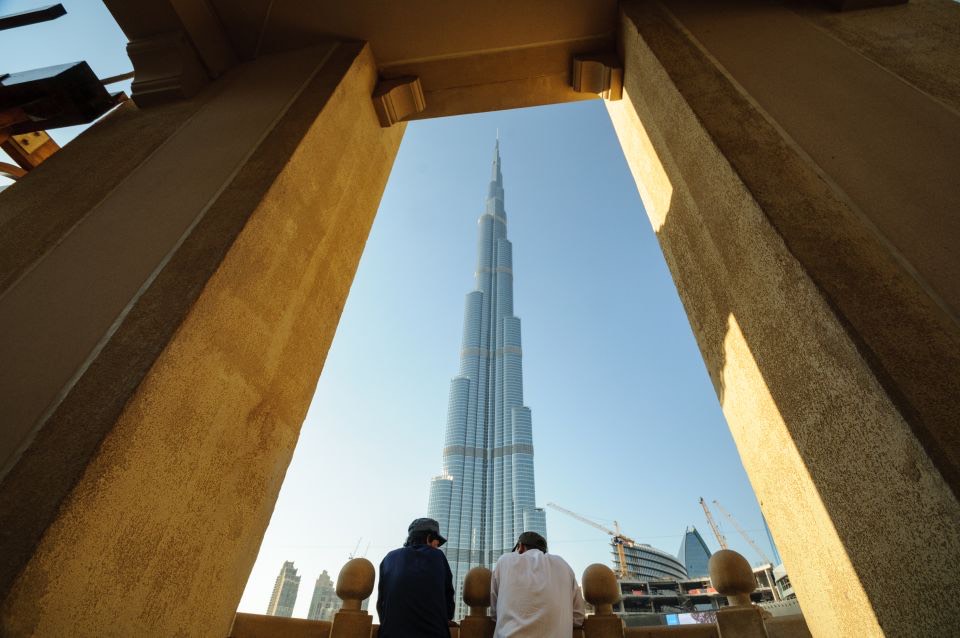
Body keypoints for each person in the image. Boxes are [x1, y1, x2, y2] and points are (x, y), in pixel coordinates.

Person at [491, 531, 586, 637]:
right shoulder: (563, 565)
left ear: (520, 547)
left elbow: (495, 613)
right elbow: (578, 617)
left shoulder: (504, 561)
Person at [377, 517, 456, 638]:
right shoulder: (437, 556)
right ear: (429, 538)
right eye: (437, 541)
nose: (438, 545)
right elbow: (449, 604)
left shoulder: (388, 558)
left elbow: (381, 604)